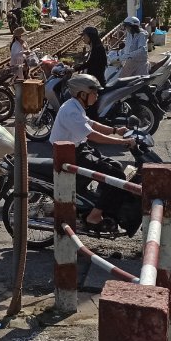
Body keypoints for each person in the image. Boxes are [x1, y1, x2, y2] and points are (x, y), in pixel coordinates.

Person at [50, 73, 138, 233]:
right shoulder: (71, 111)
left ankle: (98, 203)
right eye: (94, 93)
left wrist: (116, 130)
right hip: (70, 154)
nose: (97, 96)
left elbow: (92, 124)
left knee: (116, 166)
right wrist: (122, 141)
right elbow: (92, 135)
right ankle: (94, 216)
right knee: (116, 177)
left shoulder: (75, 106)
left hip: (80, 149)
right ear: (82, 94)